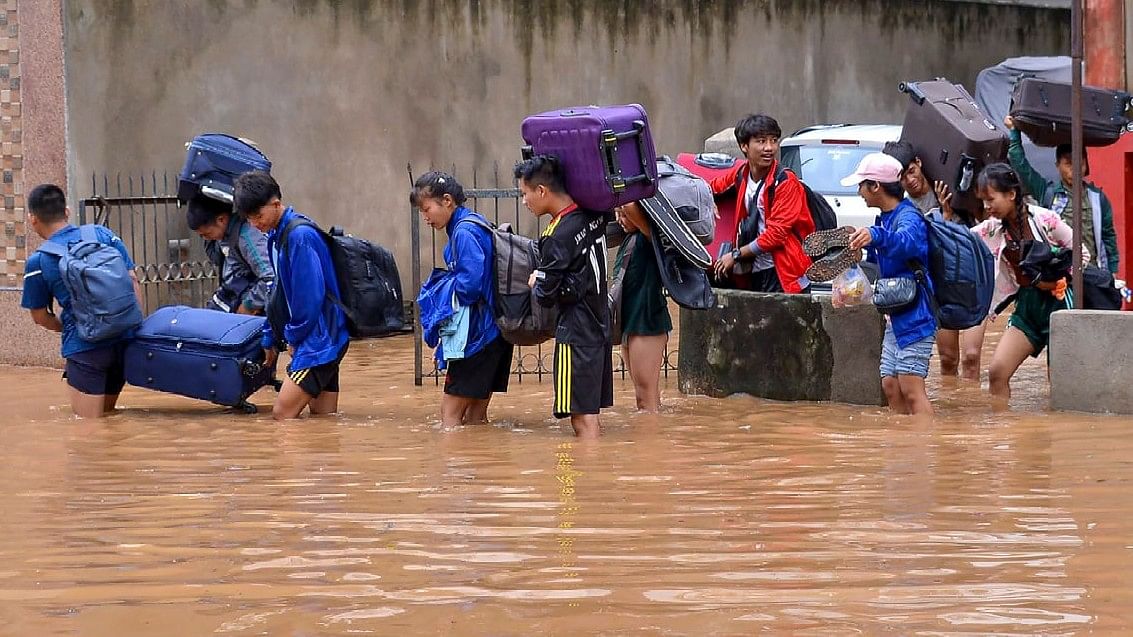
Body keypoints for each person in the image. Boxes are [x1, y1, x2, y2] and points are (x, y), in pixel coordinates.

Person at [232, 171, 349, 420]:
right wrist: (269, 336)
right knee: (323, 419)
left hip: (318, 342)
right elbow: (280, 293)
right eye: (249, 219)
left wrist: (294, 338)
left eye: (258, 216)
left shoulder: (299, 237)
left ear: (276, 204)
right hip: (326, 338)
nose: (255, 224)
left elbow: (308, 298)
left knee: (283, 414)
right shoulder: (279, 236)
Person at [21, 184, 143, 418]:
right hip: (124, 342)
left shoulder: (38, 262)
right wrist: (131, 324)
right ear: (67, 211)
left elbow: (40, 318)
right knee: (110, 417)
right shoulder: (102, 235)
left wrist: (69, 327)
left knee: (89, 430)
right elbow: (133, 280)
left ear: (32, 219)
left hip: (85, 349)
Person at [970, 163, 1086, 401]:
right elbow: (962, 241)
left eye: (990, 199)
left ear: (1011, 194)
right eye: (983, 201)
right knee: (997, 373)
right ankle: (1003, 434)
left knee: (1059, 383)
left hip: (1060, 305)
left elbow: (1081, 253)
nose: (986, 207)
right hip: (1027, 307)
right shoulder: (991, 230)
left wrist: (1063, 278)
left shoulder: (1046, 220)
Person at [515, 155, 612, 438]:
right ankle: (595, 474)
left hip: (576, 332)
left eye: (525, 194)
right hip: (599, 324)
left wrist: (536, 280)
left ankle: (574, 482)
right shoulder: (592, 215)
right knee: (590, 414)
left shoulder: (556, 235)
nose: (524, 201)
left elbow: (545, 296)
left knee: (580, 419)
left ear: (542, 191)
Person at [411, 171, 513, 427]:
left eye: (427, 209)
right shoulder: (475, 223)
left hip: (477, 338)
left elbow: (468, 286)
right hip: (495, 334)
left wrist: (440, 291)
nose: (425, 218)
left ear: (447, 201)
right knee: (476, 418)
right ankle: (481, 464)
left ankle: (453, 466)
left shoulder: (463, 232)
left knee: (450, 418)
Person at [883, 140, 987, 381]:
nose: (910, 181)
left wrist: (950, 212)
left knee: (971, 356)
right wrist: (945, 217)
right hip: (940, 287)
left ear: (919, 164)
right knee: (948, 358)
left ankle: (971, 413)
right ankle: (953, 413)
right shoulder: (905, 211)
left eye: (911, 171)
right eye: (902, 178)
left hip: (972, 281)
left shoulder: (951, 185)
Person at [844, 153, 936, 417]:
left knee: (911, 387)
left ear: (875, 186)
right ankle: (902, 447)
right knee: (891, 385)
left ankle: (926, 448)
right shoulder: (883, 219)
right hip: (895, 314)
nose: (859, 192)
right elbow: (877, 264)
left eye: (861, 185)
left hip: (917, 314)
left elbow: (907, 243)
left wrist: (875, 236)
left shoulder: (909, 216)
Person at [709, 114, 814, 293]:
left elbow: (776, 234)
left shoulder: (786, 181)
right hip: (755, 271)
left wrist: (736, 255)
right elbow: (711, 186)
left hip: (785, 274)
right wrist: (708, 199)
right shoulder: (741, 173)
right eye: (761, 141)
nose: (769, 148)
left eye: (774, 141)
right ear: (744, 146)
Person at [1005, 115, 1119, 275]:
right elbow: (1020, 163)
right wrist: (1014, 131)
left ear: (1086, 165)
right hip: (1058, 273)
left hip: (1093, 272)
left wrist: (1113, 272)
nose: (1075, 169)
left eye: (1080, 163)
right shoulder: (1047, 191)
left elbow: (1108, 236)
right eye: (1068, 164)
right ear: (1058, 165)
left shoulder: (1098, 198)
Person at [611, 202, 671, 412]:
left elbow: (630, 204)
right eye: (617, 214)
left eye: (624, 215)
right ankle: (649, 440)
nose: (620, 219)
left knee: (646, 399)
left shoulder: (649, 236)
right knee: (644, 396)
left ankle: (650, 440)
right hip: (631, 322)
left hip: (647, 322)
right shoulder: (629, 239)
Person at [186, 195, 274, 315]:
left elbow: (270, 277)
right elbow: (216, 259)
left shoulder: (247, 237)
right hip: (230, 296)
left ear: (221, 220)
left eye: (207, 234)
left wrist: (248, 305)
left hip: (251, 303)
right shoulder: (223, 235)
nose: (206, 238)